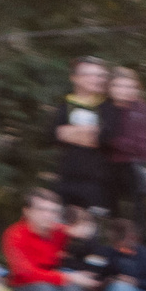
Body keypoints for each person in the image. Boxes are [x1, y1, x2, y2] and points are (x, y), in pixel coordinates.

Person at [3, 190, 84, 291]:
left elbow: (82, 232)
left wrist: (83, 231)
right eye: (42, 210)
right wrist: (65, 278)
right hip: (23, 287)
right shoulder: (15, 234)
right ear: (27, 212)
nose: (48, 215)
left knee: (73, 290)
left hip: (52, 282)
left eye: (53, 211)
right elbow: (25, 273)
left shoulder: (59, 232)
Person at [49, 56, 112, 213]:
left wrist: (70, 132)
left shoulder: (108, 107)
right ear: (75, 78)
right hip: (66, 178)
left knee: (93, 231)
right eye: (89, 74)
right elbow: (52, 134)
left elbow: (106, 138)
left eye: (99, 75)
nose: (95, 79)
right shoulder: (65, 106)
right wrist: (90, 132)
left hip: (98, 183)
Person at [102, 66, 146, 233]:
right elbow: (98, 139)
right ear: (110, 87)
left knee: (137, 216)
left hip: (132, 167)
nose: (125, 91)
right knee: (111, 214)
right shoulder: (105, 108)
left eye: (129, 86)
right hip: (107, 168)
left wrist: (113, 141)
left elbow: (143, 145)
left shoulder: (141, 109)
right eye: (119, 86)